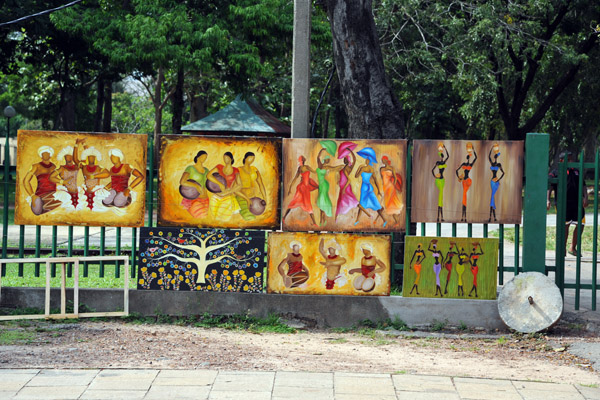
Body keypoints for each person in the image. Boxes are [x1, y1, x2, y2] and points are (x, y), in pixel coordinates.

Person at [547, 151, 589, 256]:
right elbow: (550, 187)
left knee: (581, 224)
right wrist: (548, 200)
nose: (572, 161)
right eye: (569, 159)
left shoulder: (576, 171)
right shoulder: (556, 172)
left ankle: (572, 247)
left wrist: (586, 197)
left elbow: (583, 185)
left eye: (572, 159)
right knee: (565, 226)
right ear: (562, 160)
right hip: (562, 204)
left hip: (576, 203)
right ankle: (563, 248)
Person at [23, 146, 62, 215]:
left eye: (47, 154)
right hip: (41, 195)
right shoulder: (36, 166)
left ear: (50, 155)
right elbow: (26, 181)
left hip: (53, 195)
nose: (46, 155)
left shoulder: (54, 166)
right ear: (41, 156)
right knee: (38, 209)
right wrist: (32, 195)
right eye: (43, 154)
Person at [355, 147, 387, 227]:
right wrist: (379, 190)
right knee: (375, 204)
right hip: (369, 187)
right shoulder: (371, 169)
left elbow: (356, 176)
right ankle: (384, 219)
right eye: (366, 159)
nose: (366, 160)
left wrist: (359, 169)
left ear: (368, 161)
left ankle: (359, 219)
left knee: (362, 204)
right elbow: (375, 180)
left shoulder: (363, 168)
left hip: (365, 187)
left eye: (367, 159)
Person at [283, 155, 318, 226]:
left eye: (300, 161)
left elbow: (315, 171)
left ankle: (314, 222)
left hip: (305, 188)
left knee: (307, 204)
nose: (300, 162)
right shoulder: (301, 168)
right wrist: (290, 187)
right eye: (300, 161)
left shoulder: (306, 167)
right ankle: (284, 217)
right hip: (302, 188)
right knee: (295, 202)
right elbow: (295, 178)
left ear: (302, 161)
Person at [237, 151, 267, 221]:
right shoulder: (238, 170)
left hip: (253, 197)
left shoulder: (254, 169)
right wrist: (247, 199)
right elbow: (235, 188)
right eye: (250, 158)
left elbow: (261, 184)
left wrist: (264, 197)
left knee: (257, 215)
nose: (251, 160)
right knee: (249, 218)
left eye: (253, 159)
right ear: (245, 158)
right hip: (242, 196)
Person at [179, 150, 210, 218]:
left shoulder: (206, 170)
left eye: (205, 158)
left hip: (205, 199)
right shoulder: (190, 168)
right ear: (198, 157)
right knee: (201, 216)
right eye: (203, 157)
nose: (204, 159)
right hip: (194, 199)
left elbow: (209, 183)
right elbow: (182, 182)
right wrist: (196, 185)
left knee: (203, 220)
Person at [456, 142, 477, 222]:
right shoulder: (464, 164)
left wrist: (473, 150)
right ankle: (463, 216)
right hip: (464, 181)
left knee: (464, 195)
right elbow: (456, 170)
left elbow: (475, 158)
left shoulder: (469, 164)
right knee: (464, 196)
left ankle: (463, 216)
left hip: (468, 181)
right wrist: (459, 177)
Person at [380, 155, 403, 225]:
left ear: (386, 160)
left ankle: (396, 221)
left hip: (391, 187)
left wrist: (395, 185)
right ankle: (396, 220)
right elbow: (382, 178)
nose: (383, 161)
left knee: (391, 202)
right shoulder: (381, 169)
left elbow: (395, 178)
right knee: (387, 202)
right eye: (382, 160)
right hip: (385, 187)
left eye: (384, 160)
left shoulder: (391, 168)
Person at [432, 142, 449, 222]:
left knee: (440, 197)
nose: (442, 158)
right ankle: (440, 217)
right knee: (440, 197)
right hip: (438, 180)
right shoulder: (438, 163)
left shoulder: (443, 162)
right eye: (441, 156)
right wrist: (435, 176)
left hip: (442, 180)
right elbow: (432, 170)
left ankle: (440, 217)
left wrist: (445, 148)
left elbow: (448, 156)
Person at [488, 143, 505, 222]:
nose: (494, 157)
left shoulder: (499, 164)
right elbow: (488, 156)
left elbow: (503, 173)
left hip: (496, 181)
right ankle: (493, 217)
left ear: (497, 157)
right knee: (492, 197)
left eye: (496, 156)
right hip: (492, 181)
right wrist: (492, 148)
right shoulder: (492, 163)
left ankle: (491, 217)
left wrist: (498, 180)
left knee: (492, 197)